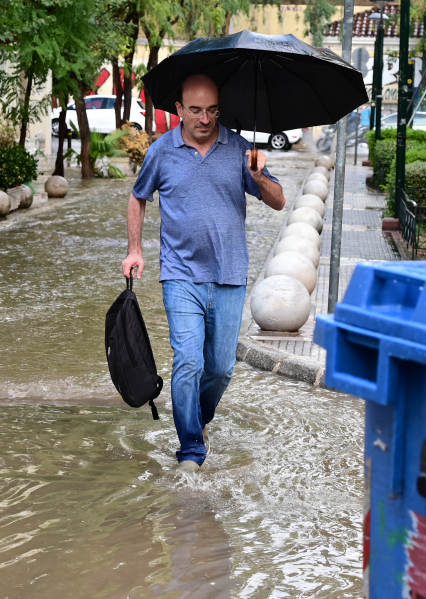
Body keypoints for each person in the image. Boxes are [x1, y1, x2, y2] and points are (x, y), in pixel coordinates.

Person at [121, 74, 286, 474]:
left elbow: (279, 202)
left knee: (220, 368)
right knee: (188, 362)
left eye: (212, 109)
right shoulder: (162, 151)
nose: (204, 118)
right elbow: (138, 197)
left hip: (230, 274)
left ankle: (197, 417)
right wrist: (135, 250)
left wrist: (260, 175)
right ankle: (191, 449)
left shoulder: (239, 150)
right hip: (180, 275)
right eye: (195, 109)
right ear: (178, 109)